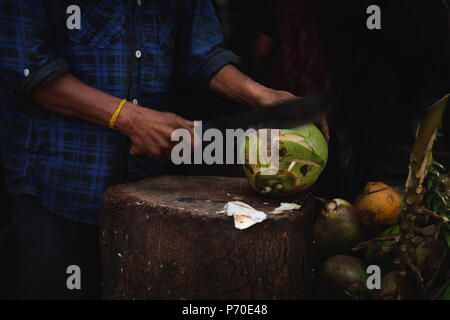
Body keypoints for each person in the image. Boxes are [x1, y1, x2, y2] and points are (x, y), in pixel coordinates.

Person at [0, 0, 298, 299]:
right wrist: (129, 118)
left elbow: (202, 54)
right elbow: (29, 69)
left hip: (144, 188)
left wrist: (260, 95)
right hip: (58, 186)